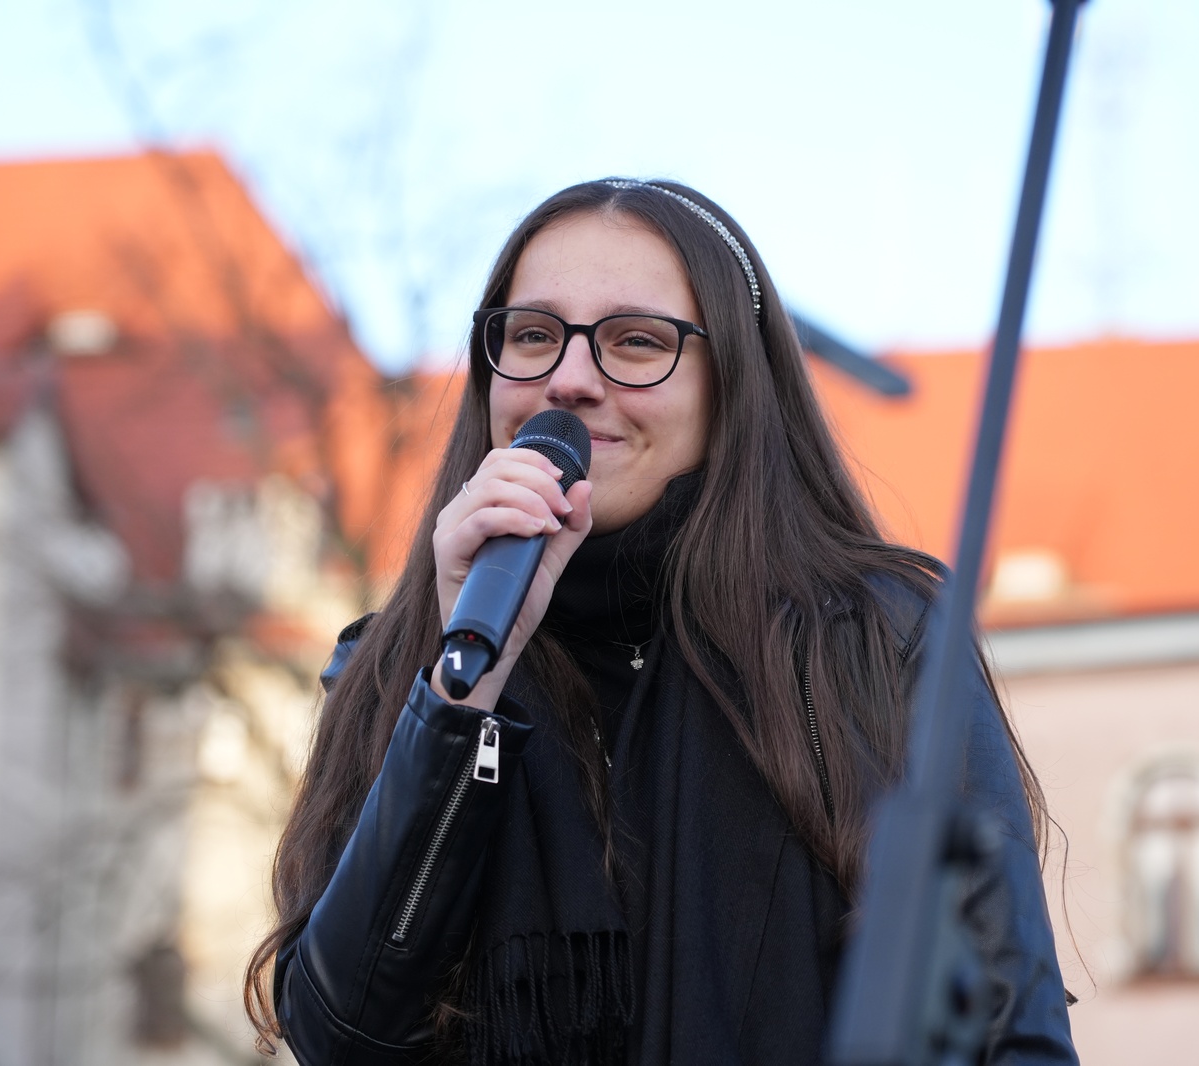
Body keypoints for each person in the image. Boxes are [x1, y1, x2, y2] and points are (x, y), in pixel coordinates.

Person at [244, 179, 1077, 1065]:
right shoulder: (401, 669)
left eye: (635, 342)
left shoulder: (873, 638)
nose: (569, 379)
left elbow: (1000, 1023)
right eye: (531, 335)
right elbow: (340, 1033)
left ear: (733, 387)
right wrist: (463, 700)